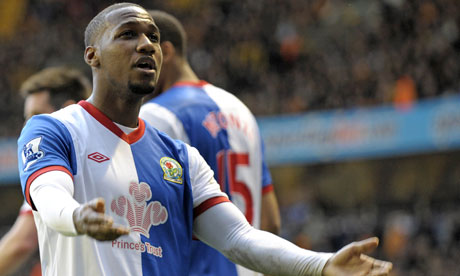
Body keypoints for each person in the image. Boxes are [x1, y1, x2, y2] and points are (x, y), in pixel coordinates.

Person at [17, 3, 392, 276]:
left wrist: (321, 264)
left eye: (153, 37)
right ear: (92, 55)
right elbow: (49, 197)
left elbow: (239, 237)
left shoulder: (180, 157)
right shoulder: (54, 129)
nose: (146, 44)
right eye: (129, 34)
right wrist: (77, 216)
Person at [139, 10, 280, 276]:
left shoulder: (156, 116)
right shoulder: (240, 110)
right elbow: (271, 221)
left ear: (165, 52)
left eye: (144, 56)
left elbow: (152, 226)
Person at [0, 66, 91, 276]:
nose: (27, 127)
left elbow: (21, 243)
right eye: (27, 118)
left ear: (67, 109)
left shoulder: (50, 167)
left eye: (36, 116)